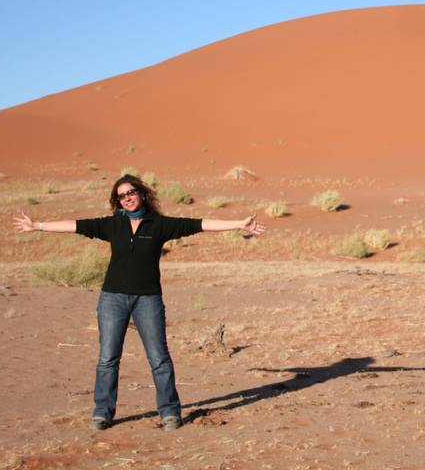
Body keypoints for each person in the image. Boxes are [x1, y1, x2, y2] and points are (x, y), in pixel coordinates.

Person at [13, 173, 265, 431]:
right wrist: (38, 226)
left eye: (131, 193)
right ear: (117, 200)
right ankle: (102, 413)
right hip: (112, 299)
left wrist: (238, 224)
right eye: (121, 196)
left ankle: (169, 412)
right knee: (108, 358)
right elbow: (75, 225)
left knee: (159, 358)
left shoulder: (160, 225)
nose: (127, 198)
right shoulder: (111, 225)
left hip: (148, 300)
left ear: (142, 194)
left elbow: (200, 224)